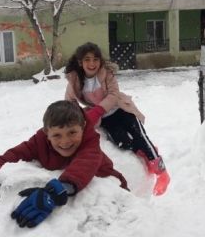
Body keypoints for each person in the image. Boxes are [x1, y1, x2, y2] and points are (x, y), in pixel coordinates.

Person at [0, 100, 128, 228]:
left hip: (110, 186)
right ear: (47, 134)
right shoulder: (39, 141)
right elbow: (7, 157)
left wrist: (56, 192)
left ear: (82, 127)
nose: (65, 141)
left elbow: (85, 163)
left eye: (72, 132)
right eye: (57, 135)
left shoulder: (90, 141)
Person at [64, 42, 170, 196]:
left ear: (100, 61)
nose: (92, 63)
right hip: (105, 118)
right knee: (122, 142)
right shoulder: (75, 80)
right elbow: (70, 102)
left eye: (95, 59)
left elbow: (113, 95)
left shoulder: (106, 74)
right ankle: (144, 155)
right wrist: (78, 117)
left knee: (140, 136)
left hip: (121, 109)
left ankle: (162, 173)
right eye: (87, 60)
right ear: (80, 62)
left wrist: (99, 109)